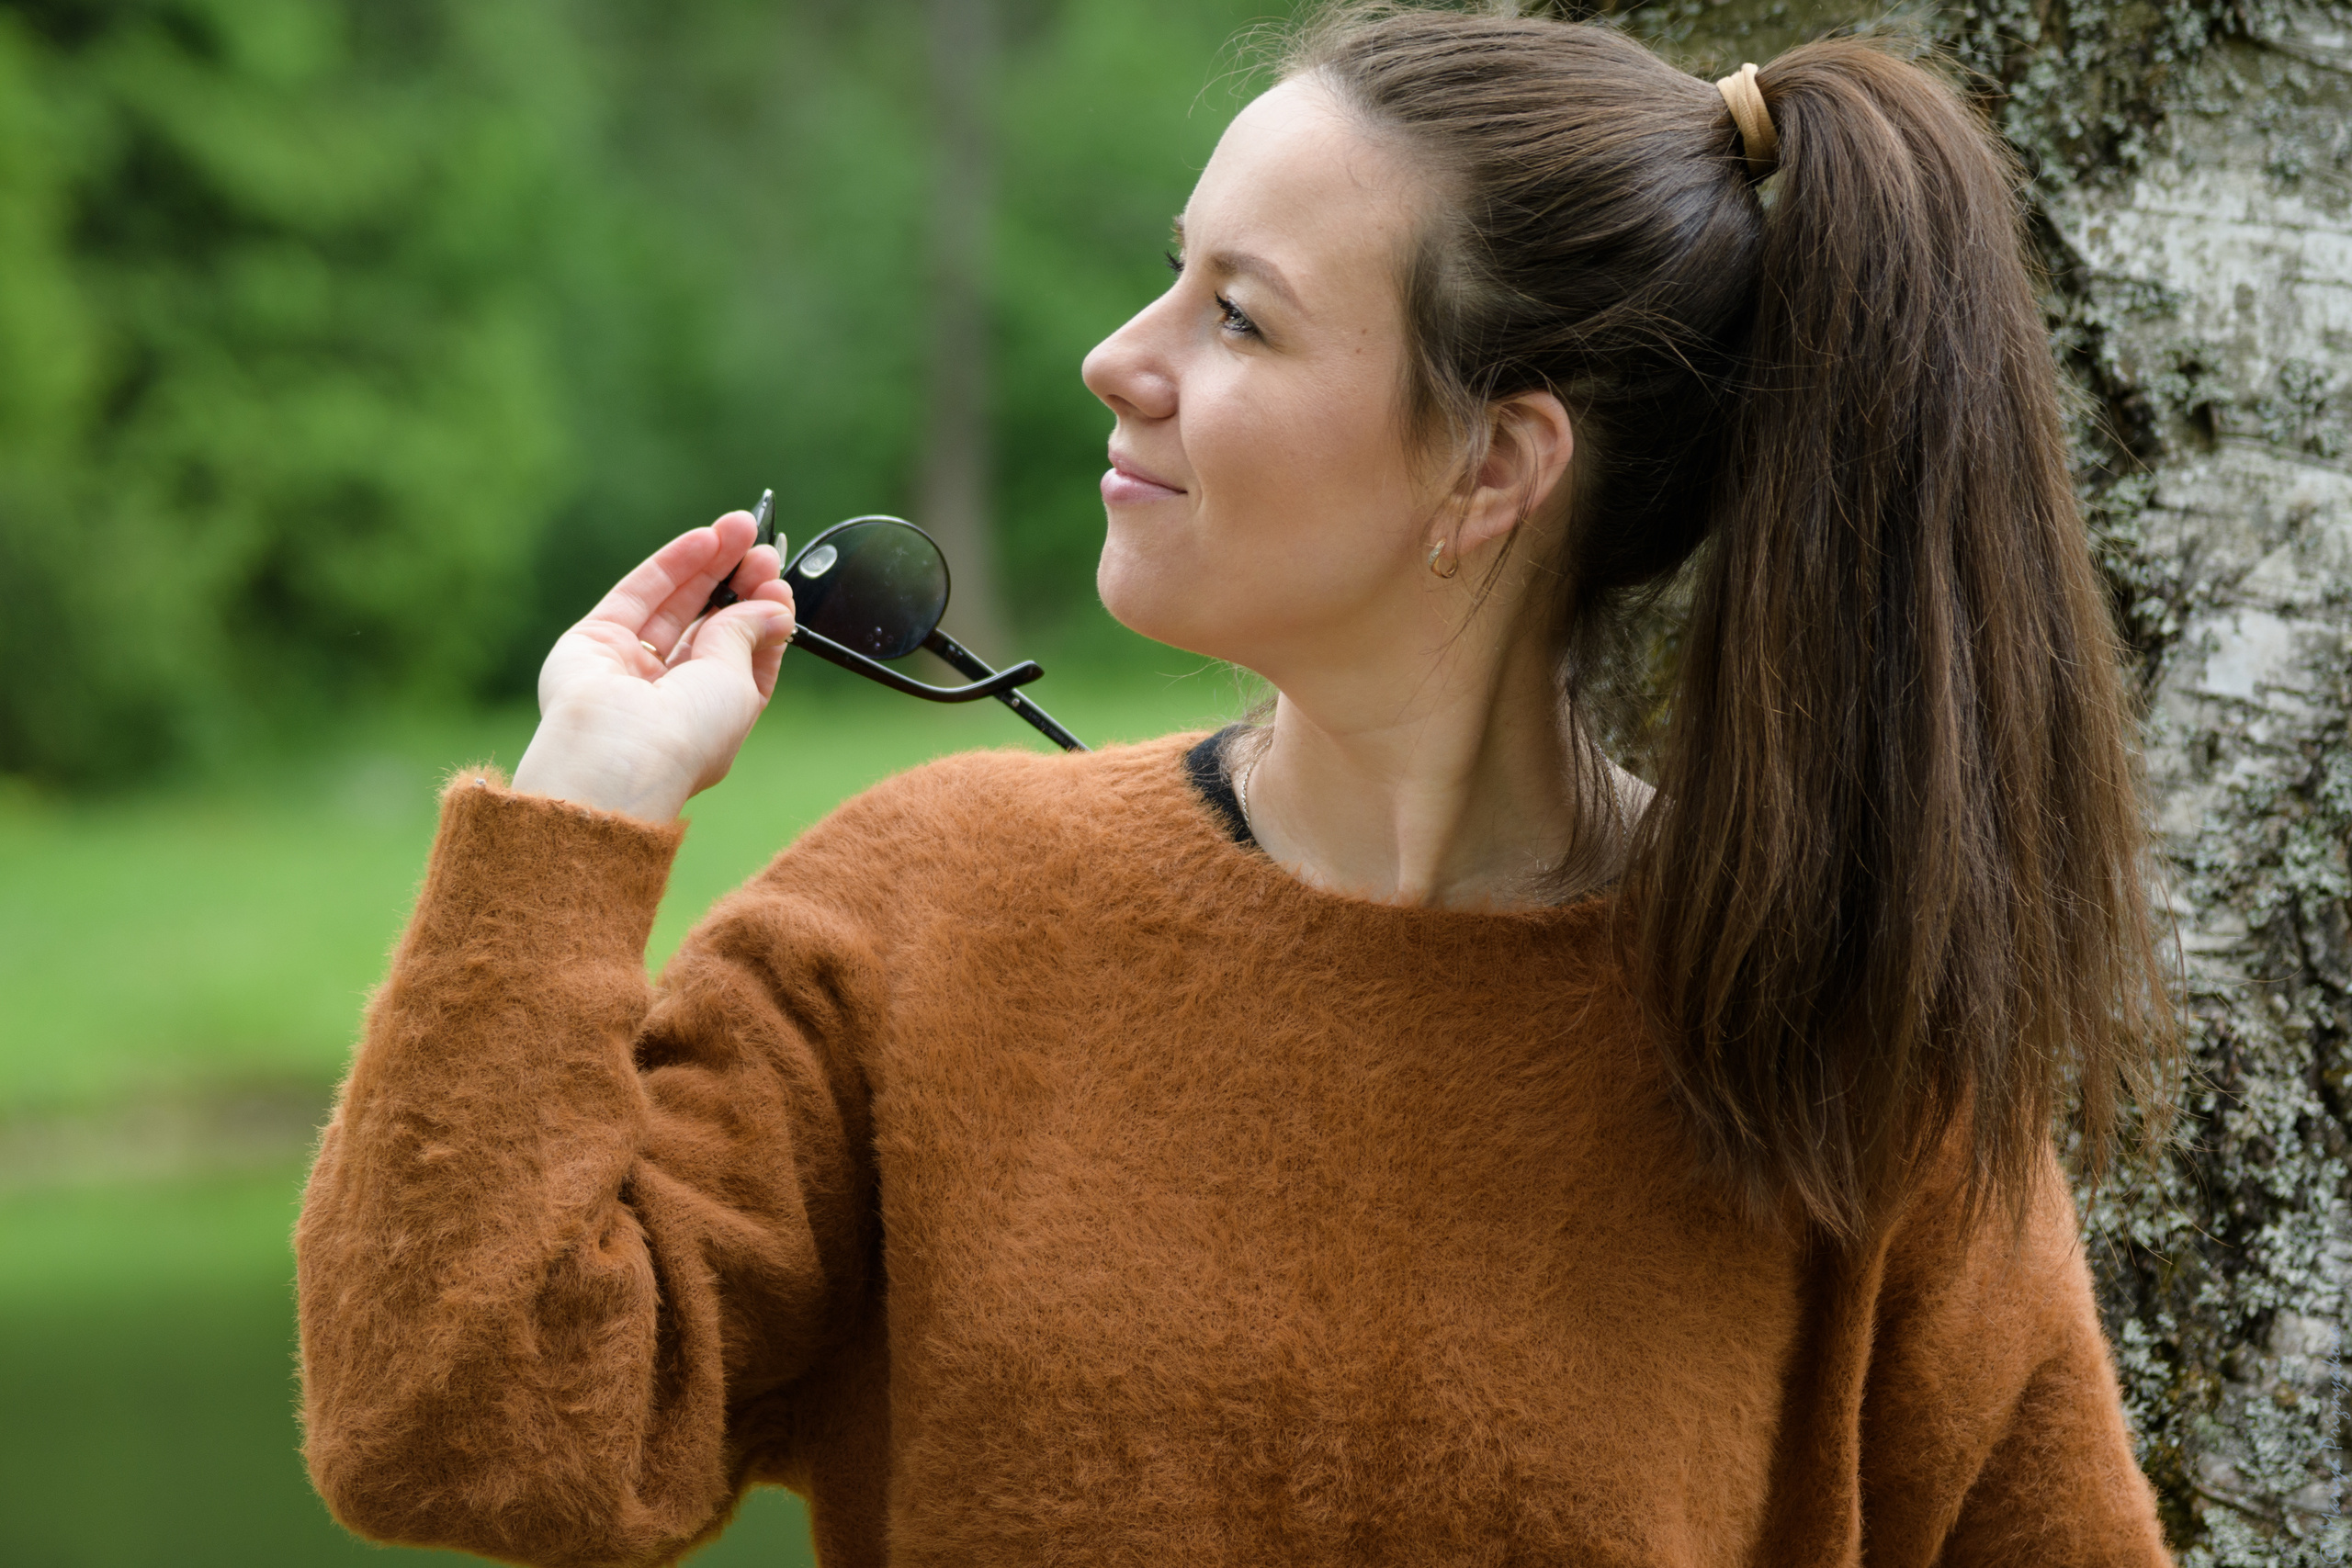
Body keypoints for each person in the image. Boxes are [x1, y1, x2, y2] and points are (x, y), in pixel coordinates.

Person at [295, 8, 2180, 1565]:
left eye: (1240, 316)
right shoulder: (925, 919)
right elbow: (456, 1428)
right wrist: (578, 812)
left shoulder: (1838, 1051)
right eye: (1168, 276)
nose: (1116, 358)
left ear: (1495, 466)